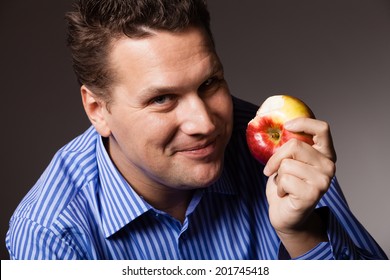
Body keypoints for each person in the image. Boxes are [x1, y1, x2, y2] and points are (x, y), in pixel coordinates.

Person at [5, 0, 387, 260]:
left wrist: (303, 232)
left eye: (209, 85)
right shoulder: (51, 233)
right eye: (162, 99)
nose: (204, 124)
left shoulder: (279, 145)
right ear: (97, 110)